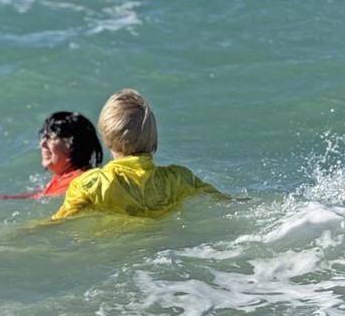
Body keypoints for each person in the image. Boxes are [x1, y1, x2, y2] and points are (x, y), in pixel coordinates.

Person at [50, 89, 225, 221]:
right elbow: (225, 202)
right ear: (153, 138)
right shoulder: (179, 178)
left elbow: (57, 224)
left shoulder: (90, 185)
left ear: (106, 137)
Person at [1, 111, 103, 199]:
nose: (42, 144)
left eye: (50, 137)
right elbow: (41, 195)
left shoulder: (77, 183)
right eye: (44, 137)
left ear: (72, 144)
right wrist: (7, 198)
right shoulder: (65, 177)